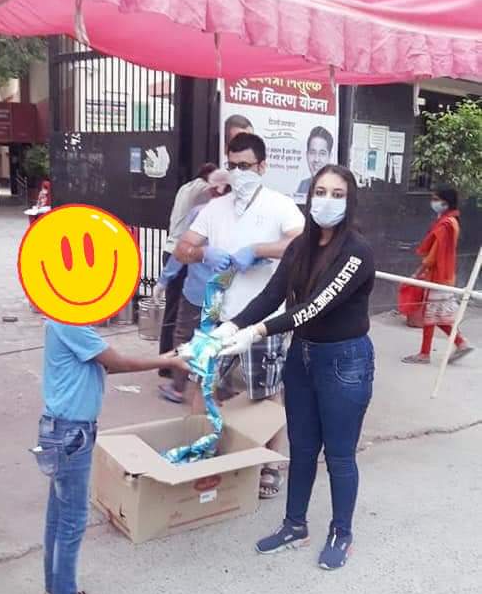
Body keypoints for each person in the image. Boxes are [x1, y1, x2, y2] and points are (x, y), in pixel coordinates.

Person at [215, 164, 375, 570]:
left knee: (339, 455)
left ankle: (342, 532)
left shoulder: (357, 252)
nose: (327, 201)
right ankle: (294, 525)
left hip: (344, 362)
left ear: (350, 201)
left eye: (337, 194)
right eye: (320, 192)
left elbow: (315, 307)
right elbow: (272, 294)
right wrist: (233, 325)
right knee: (302, 449)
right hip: (301, 358)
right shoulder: (300, 246)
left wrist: (257, 332)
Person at [34, 321, 188, 594]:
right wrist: (167, 361)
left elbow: (107, 364)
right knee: (72, 520)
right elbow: (118, 361)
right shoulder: (69, 322)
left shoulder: (64, 320)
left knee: (58, 517)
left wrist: (168, 357)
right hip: (71, 434)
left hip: (63, 430)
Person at [175, 132, 304, 498]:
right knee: (204, 385)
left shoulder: (280, 206)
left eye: (245, 165)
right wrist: (203, 253)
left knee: (266, 393)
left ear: (262, 167)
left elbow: (301, 244)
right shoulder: (215, 209)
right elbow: (183, 248)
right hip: (218, 316)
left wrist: (258, 249)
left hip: (262, 319)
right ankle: (200, 451)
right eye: (232, 165)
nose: (238, 173)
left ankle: (269, 465)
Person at [154, 170, 232, 403]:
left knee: (185, 337)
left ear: (214, 189)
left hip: (196, 292)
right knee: (221, 339)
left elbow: (182, 251)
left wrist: (164, 280)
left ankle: (178, 387)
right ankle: (222, 388)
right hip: (225, 292)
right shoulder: (239, 218)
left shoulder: (201, 213)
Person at [402, 186, 473, 364]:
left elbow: (434, 255)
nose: (433, 202)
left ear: (446, 202)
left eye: (436, 199)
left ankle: (426, 353)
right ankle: (459, 343)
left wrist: (419, 272)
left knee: (431, 314)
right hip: (444, 274)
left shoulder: (446, 224)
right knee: (435, 315)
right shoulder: (450, 221)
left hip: (438, 275)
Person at [158, 163, 217, 376]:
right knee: (180, 318)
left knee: (173, 313)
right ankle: (173, 366)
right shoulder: (201, 190)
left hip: (171, 249)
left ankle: (166, 364)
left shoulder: (186, 187)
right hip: (181, 254)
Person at [295, 127, 334, 203]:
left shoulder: (337, 188)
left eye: (322, 153)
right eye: (312, 152)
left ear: (330, 157)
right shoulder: (303, 185)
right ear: (307, 155)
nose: (316, 159)